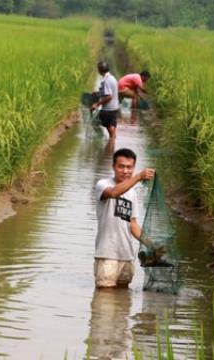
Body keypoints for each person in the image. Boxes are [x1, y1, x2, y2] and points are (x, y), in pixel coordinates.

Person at [93, 148, 155, 289]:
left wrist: (152, 244)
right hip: (107, 254)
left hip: (126, 255)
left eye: (129, 167)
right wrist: (138, 177)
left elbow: (132, 225)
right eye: (121, 166)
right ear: (113, 166)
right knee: (105, 298)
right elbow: (114, 192)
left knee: (123, 298)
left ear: (133, 168)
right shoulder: (103, 185)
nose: (125, 171)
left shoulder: (132, 193)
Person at [90, 61, 120, 139]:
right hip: (115, 108)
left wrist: (96, 104)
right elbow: (109, 92)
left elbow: (109, 96)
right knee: (111, 127)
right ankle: (111, 143)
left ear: (99, 70)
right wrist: (98, 92)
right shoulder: (112, 78)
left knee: (94, 123)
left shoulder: (106, 80)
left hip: (108, 110)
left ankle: (102, 138)